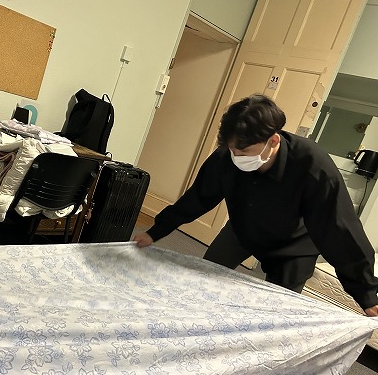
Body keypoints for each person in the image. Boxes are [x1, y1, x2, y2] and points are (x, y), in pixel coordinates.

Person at [133, 94, 378, 317]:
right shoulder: (227, 157)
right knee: (203, 280)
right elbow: (198, 197)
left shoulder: (313, 166)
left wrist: (366, 294)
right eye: (233, 150)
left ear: (273, 140)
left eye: (245, 152)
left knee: (275, 312)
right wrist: (156, 231)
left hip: (294, 246)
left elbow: (339, 230)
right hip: (243, 228)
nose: (237, 157)